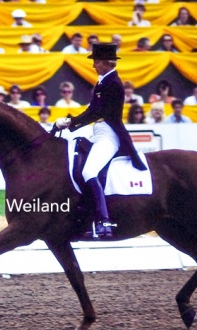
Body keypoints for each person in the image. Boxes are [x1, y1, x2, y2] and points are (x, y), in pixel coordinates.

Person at [54, 43, 145, 239]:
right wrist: (70, 126)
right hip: (98, 130)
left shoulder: (112, 83)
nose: (94, 65)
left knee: (89, 171)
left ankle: (104, 221)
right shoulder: (103, 81)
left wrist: (70, 122)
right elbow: (92, 111)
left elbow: (97, 112)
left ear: (105, 62)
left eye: (96, 61)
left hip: (110, 133)